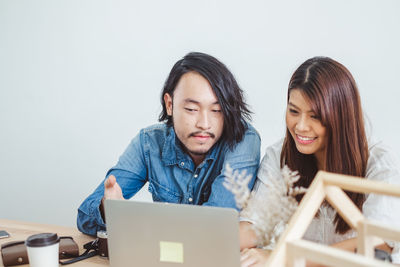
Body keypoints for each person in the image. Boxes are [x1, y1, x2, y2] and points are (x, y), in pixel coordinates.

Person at [77, 52, 261, 236]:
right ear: (170, 104)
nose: (204, 124)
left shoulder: (243, 140)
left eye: (217, 110)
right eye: (192, 109)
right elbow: (84, 216)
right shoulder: (149, 143)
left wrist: (136, 222)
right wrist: (107, 209)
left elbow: (215, 223)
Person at [239, 57, 400, 266]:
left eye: (315, 116)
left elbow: (380, 243)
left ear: (340, 117)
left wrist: (284, 258)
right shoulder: (280, 156)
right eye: (294, 111)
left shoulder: (378, 163)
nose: (301, 127)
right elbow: (254, 224)